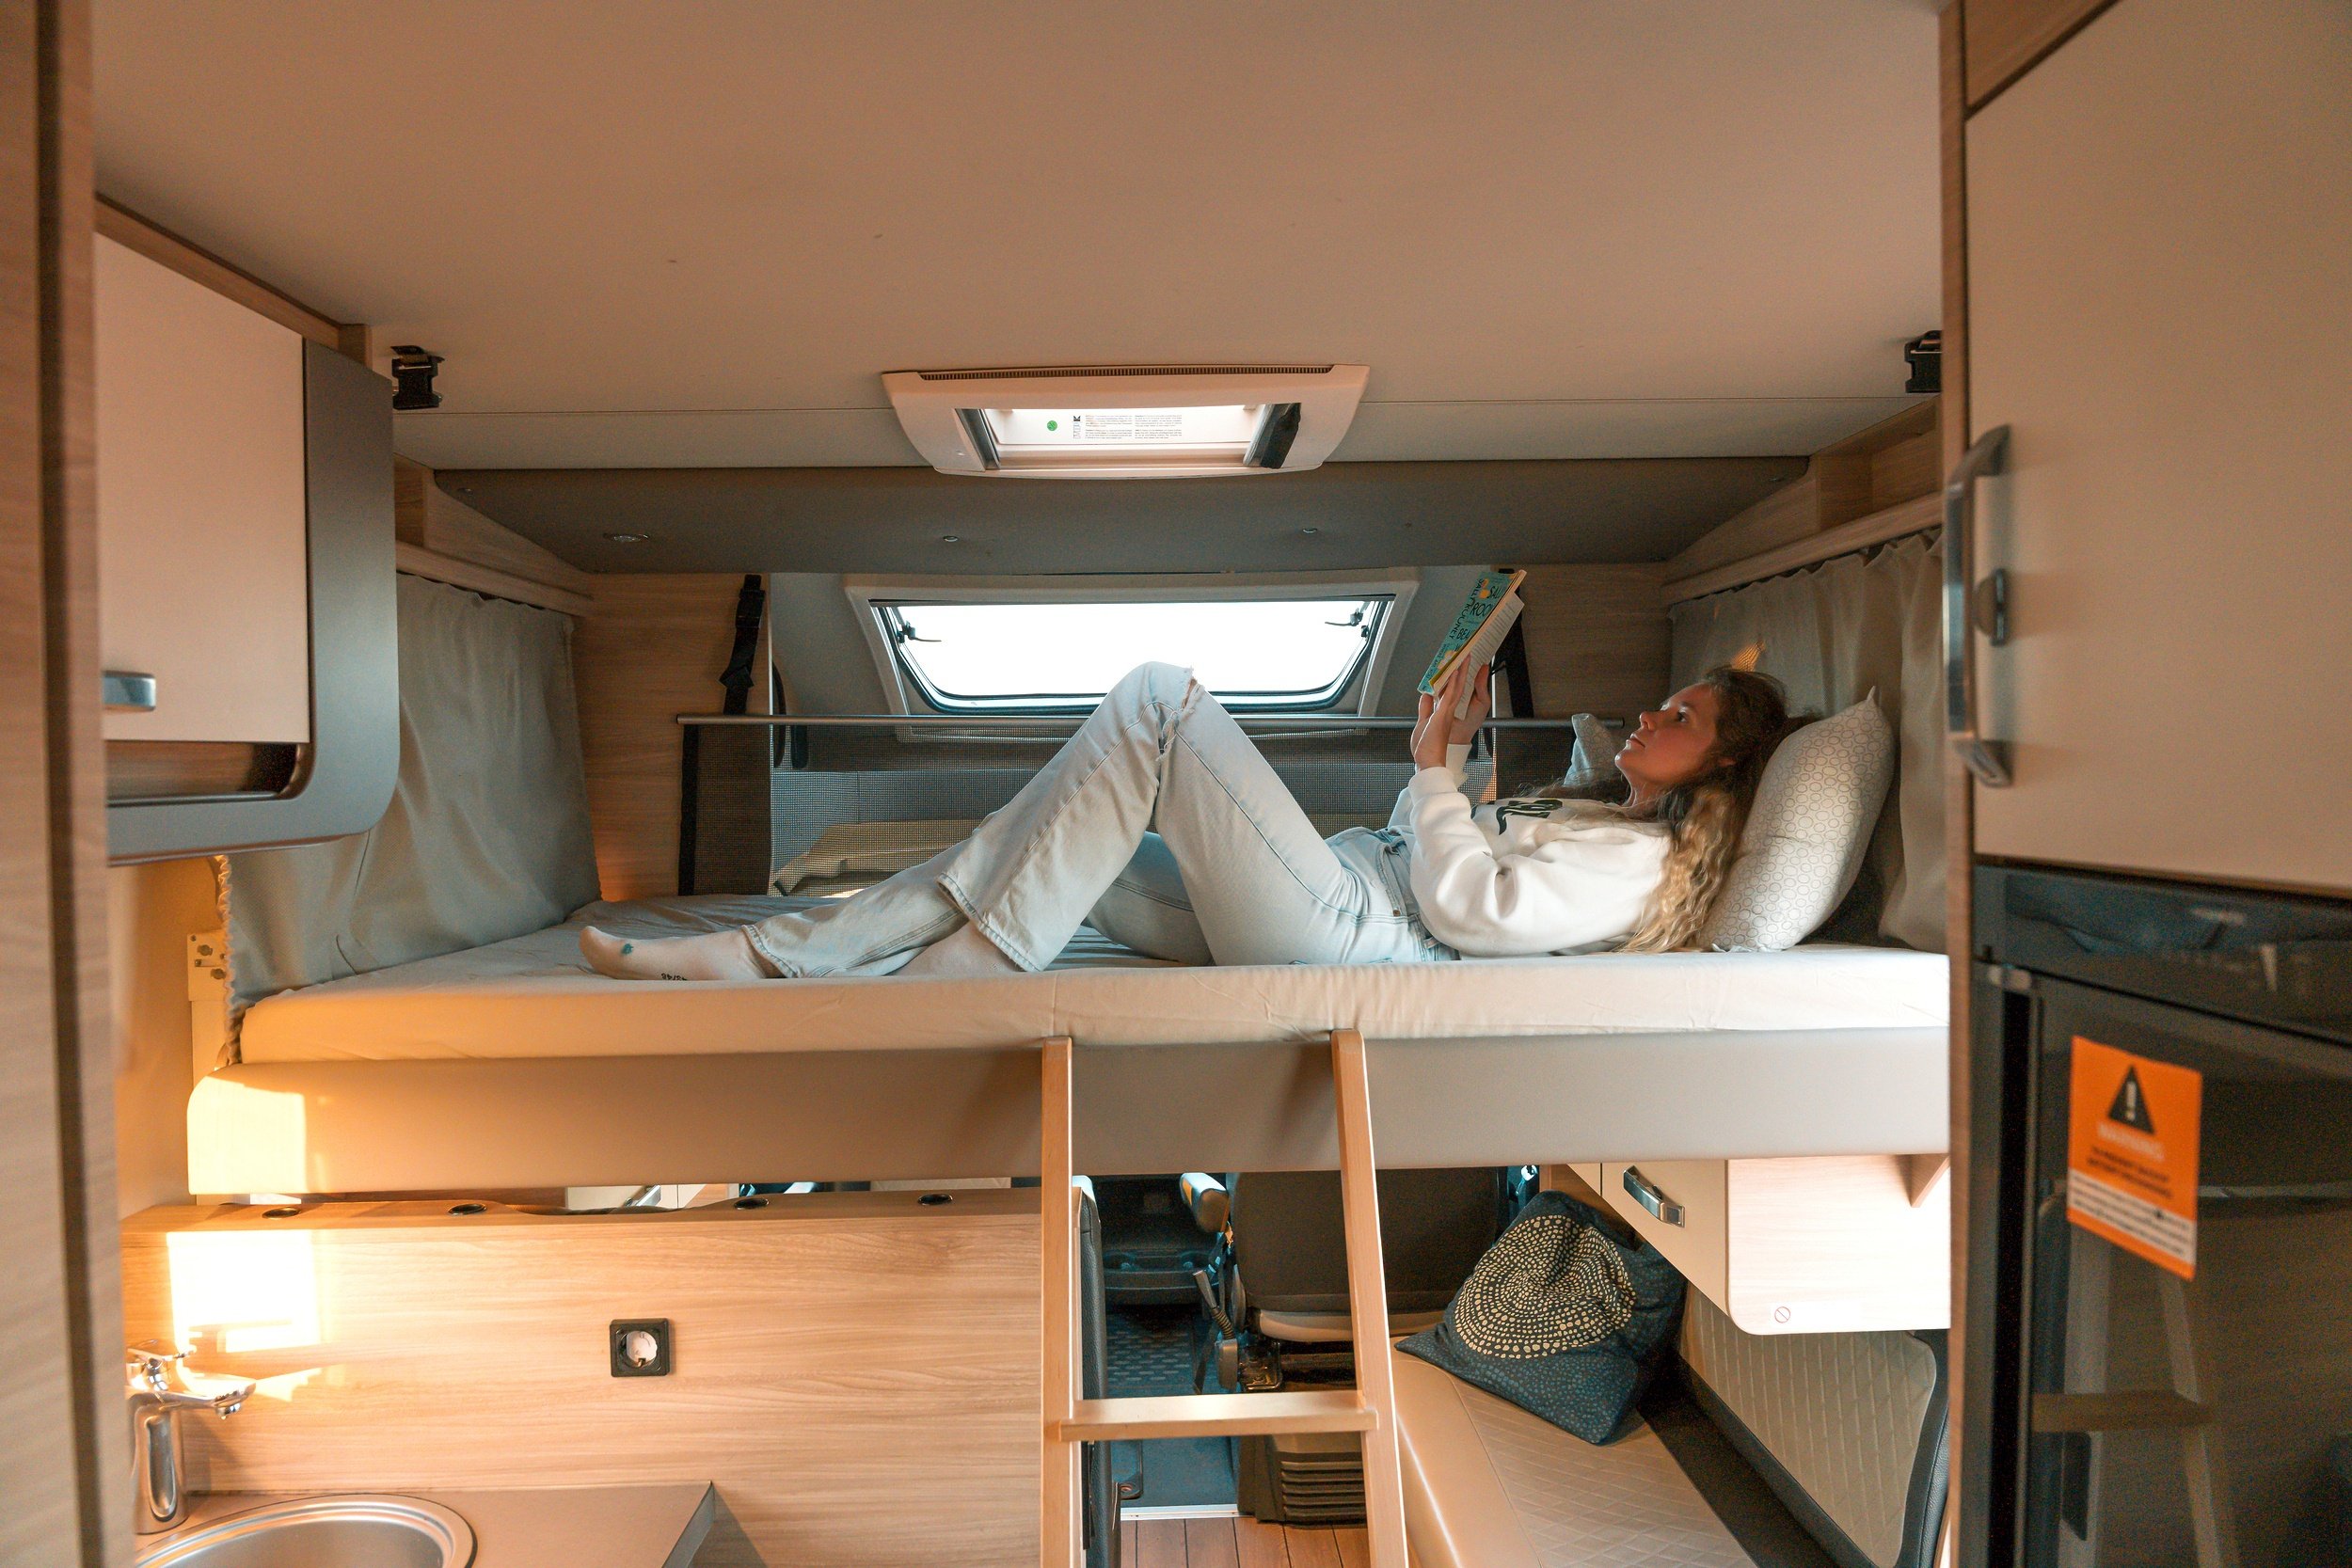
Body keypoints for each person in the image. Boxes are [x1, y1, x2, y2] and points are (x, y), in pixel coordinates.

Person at [580, 658, 1789, 983]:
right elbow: (1438, 848)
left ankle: (977, 963)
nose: (1650, 714)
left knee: (1161, 696)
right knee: (1032, 834)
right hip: (1345, 890)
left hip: (1349, 933)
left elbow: (1470, 912)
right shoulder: (1593, 808)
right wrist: (1447, 763)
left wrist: (1436, 778)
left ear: (1723, 762)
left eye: (1680, 715)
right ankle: (767, 952)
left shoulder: (1641, 864)